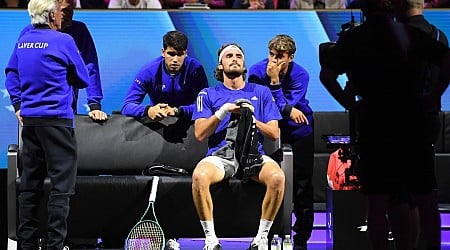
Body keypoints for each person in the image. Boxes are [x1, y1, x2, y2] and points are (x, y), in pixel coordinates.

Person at [318, 0, 450, 249]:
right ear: (391, 7)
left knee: (378, 200)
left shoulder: (353, 38)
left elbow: (326, 75)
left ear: (364, 8)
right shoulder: (408, 33)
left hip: (374, 122)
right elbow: (447, 59)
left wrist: (351, 104)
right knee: (424, 196)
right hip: (412, 120)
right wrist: (434, 94)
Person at [4, 0, 90, 248]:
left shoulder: (23, 40)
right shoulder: (64, 41)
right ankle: (55, 245)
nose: (62, 17)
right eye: (59, 13)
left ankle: (27, 244)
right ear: (52, 15)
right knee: (61, 188)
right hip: (57, 122)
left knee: (30, 185)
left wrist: (19, 105)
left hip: (29, 123)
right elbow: (83, 77)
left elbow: (11, 73)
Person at [191, 43, 285, 250]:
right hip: (220, 155)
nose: (234, 58)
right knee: (199, 176)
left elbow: (274, 133)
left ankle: (261, 238)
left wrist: (251, 118)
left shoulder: (261, 92)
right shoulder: (207, 94)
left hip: (253, 154)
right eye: (229, 56)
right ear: (220, 64)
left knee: (278, 177)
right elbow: (200, 133)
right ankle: (211, 240)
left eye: (239, 56)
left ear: (243, 64)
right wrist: (222, 112)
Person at [248, 34, 314, 250]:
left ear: (291, 57)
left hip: (299, 132)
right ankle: (265, 235)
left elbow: (280, 108)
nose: (274, 61)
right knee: (268, 181)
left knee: (303, 186)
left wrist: (275, 83)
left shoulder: (301, 75)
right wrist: (287, 109)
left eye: (280, 57)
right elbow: (267, 107)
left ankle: (302, 238)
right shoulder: (257, 72)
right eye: (271, 55)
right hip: (267, 132)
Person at [395, 0, 448, 249]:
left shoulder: (395, 35)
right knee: (425, 194)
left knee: (400, 197)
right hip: (427, 120)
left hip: (396, 122)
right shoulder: (439, 36)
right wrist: (434, 94)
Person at [5, 0, 107, 122]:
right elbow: (13, 71)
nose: (70, 15)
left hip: (61, 113)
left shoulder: (79, 31)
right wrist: (17, 104)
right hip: (41, 115)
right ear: (53, 12)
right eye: (64, 11)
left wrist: (94, 105)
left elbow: (91, 67)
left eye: (71, 9)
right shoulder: (30, 33)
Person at [121, 30, 209, 122]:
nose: (175, 59)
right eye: (171, 54)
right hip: (159, 123)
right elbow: (127, 106)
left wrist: (177, 111)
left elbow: (204, 106)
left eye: (180, 54)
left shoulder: (195, 69)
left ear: (186, 53)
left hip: (188, 122)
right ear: (163, 52)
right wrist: (148, 110)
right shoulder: (148, 72)